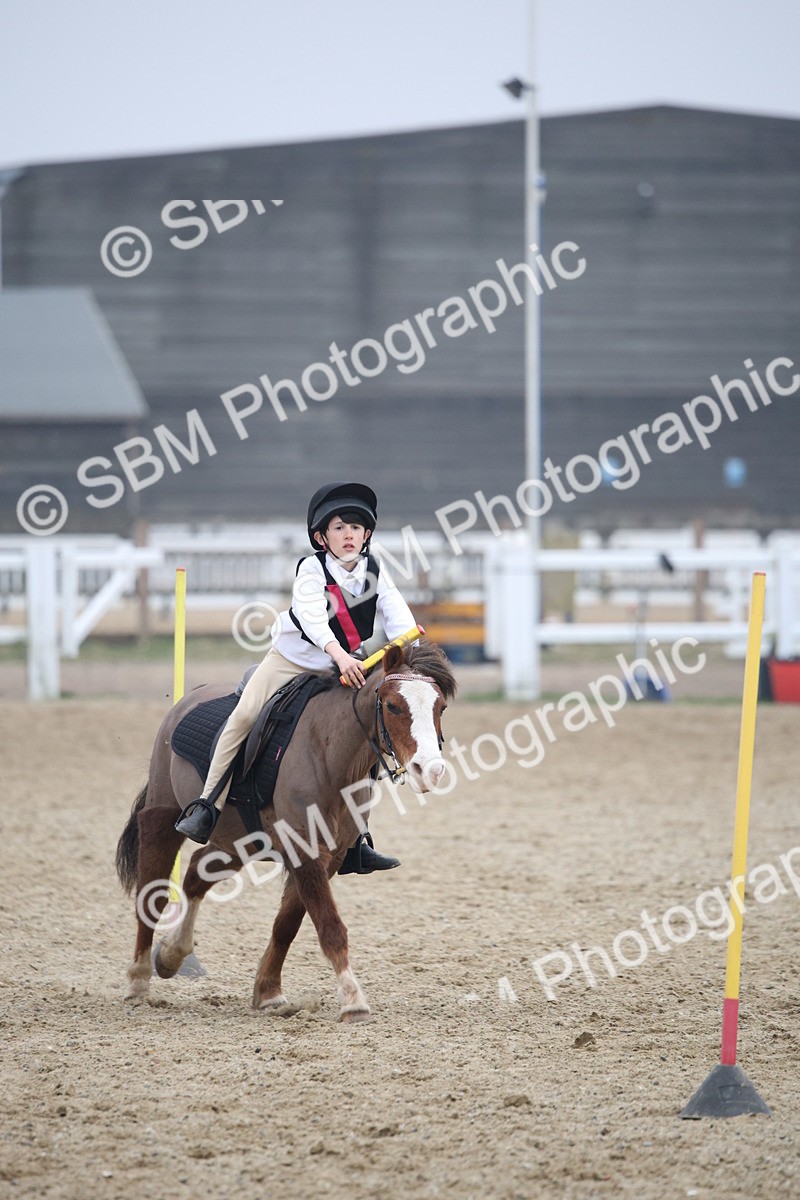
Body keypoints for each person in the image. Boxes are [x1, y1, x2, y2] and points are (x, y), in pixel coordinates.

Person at [174, 482, 415, 873]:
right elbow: (312, 618)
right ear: (322, 537)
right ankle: (206, 805)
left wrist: (410, 656)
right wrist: (341, 656)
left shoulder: (375, 570)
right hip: (293, 661)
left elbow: (398, 618)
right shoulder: (311, 568)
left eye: (356, 527)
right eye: (339, 528)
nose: (348, 535)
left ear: (367, 534)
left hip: (345, 663)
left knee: (367, 730)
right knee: (244, 716)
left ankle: (357, 840)